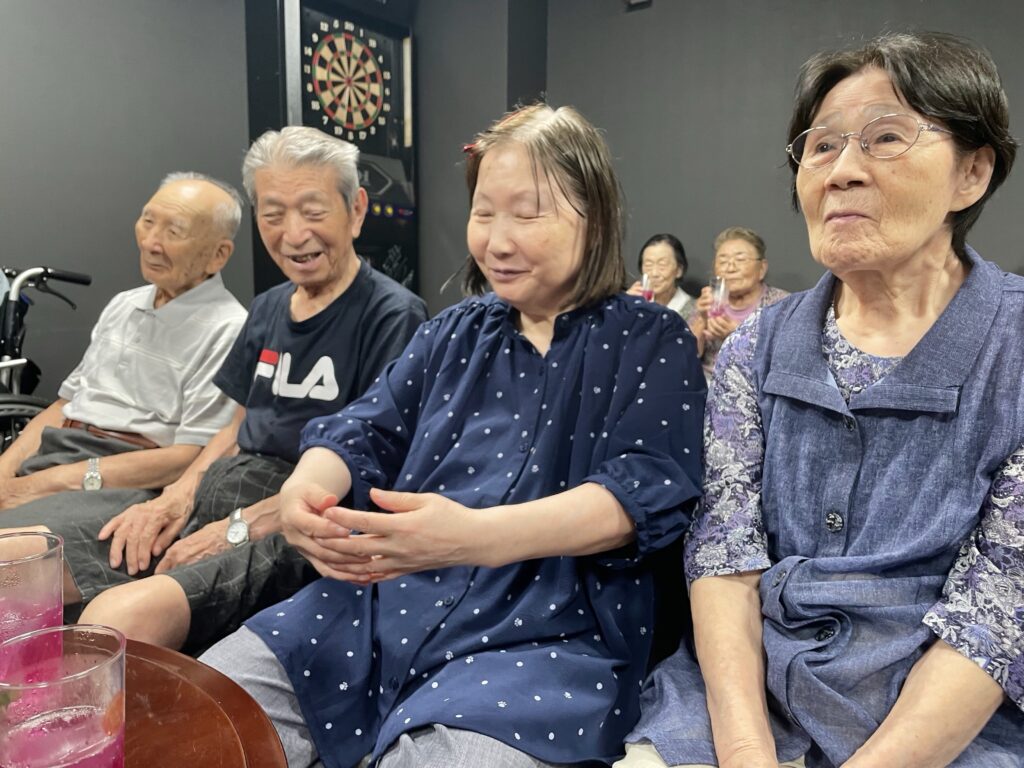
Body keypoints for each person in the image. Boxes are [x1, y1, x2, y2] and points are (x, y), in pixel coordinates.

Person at [197, 104, 705, 768]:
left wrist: (474, 536)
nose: (497, 241)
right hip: (379, 604)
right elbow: (363, 428)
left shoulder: (651, 338)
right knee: (202, 711)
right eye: (483, 213)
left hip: (549, 636)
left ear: (596, 217)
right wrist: (304, 489)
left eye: (527, 214)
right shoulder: (452, 331)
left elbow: (643, 489)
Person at [620, 31, 1023, 768]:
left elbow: (997, 612)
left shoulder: (1014, 349)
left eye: (886, 138)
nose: (841, 172)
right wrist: (746, 751)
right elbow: (723, 555)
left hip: (945, 727)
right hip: (746, 696)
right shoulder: (755, 346)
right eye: (822, 145)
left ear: (971, 172)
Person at [5, 128, 427, 651]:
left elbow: (367, 465)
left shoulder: (393, 316)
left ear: (356, 210)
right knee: (17, 570)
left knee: (118, 619)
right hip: (217, 495)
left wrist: (234, 528)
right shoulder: (269, 307)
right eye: (273, 214)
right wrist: (175, 501)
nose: (293, 234)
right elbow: (237, 423)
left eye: (313, 211)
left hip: (293, 521)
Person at [0, 172, 246, 522]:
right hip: (58, 453)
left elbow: (188, 456)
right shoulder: (124, 304)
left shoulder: (229, 329)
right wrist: (5, 471)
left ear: (218, 255)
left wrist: (45, 483)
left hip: (127, 481)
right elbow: (66, 404)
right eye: (148, 221)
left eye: (174, 232)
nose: (151, 243)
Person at [687, 227, 787, 382]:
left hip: (756, 386)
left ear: (762, 268)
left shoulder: (782, 305)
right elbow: (687, 355)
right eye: (723, 261)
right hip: (707, 384)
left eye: (740, 260)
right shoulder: (708, 301)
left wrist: (738, 335)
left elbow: (786, 359)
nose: (730, 268)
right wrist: (700, 320)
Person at [628, 234, 697, 318]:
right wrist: (625, 306)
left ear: (679, 270)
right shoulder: (632, 303)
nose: (654, 273)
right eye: (648, 265)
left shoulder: (695, 312)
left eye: (662, 264)